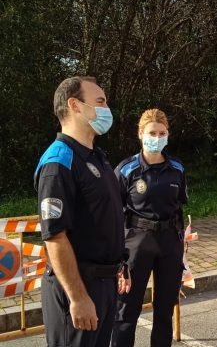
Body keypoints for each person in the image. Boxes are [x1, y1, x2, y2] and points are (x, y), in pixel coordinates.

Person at [34, 76, 131, 347]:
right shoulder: (59, 162)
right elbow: (54, 237)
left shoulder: (97, 157)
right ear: (75, 105)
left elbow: (104, 219)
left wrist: (120, 264)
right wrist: (77, 297)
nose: (106, 108)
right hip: (78, 286)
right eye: (100, 102)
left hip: (104, 284)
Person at [111, 108, 187, 347]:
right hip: (136, 243)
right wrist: (118, 255)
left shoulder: (177, 168)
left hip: (169, 243)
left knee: (165, 308)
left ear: (168, 135)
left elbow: (178, 207)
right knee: (126, 309)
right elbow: (113, 213)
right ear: (141, 133)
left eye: (161, 133)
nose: (157, 138)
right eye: (152, 132)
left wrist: (182, 243)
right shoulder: (126, 170)